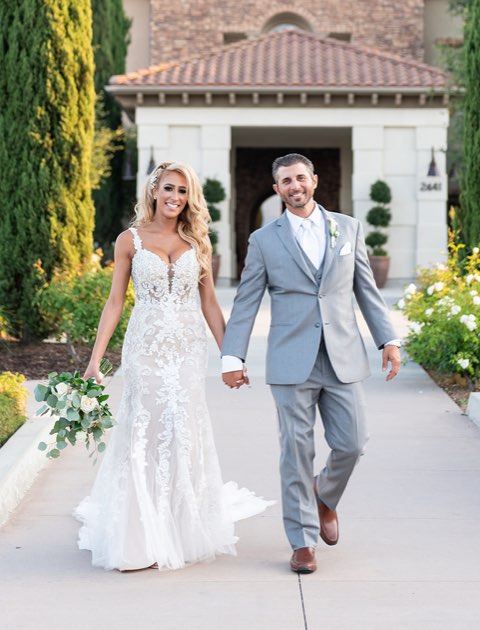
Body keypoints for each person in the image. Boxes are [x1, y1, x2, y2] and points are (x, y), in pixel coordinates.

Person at [75, 161, 273, 572]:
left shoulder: (197, 241)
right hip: (145, 347)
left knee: (182, 429)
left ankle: (179, 529)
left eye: (183, 191)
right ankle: (138, 536)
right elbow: (115, 303)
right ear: (153, 191)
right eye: (168, 188)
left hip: (186, 350)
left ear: (190, 198)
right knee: (144, 431)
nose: (175, 198)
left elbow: (210, 305)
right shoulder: (129, 240)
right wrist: (95, 360)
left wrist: (231, 357)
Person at [221, 153, 401, 574]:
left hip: (342, 357)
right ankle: (302, 541)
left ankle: (324, 496)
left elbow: (366, 290)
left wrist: (388, 339)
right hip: (290, 361)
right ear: (277, 189)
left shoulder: (348, 228)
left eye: (301, 177)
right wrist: (233, 356)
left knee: (353, 442)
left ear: (314, 181)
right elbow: (246, 301)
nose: (294, 185)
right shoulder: (265, 240)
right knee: (296, 452)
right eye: (286, 181)